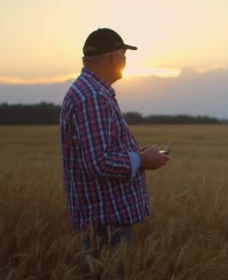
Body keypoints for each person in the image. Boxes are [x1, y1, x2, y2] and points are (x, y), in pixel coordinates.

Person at [59, 28, 170, 279]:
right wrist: (142, 160)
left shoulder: (87, 91)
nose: (125, 60)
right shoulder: (94, 97)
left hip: (99, 216)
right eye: (123, 54)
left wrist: (137, 154)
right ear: (112, 57)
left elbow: (100, 152)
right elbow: (98, 162)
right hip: (104, 218)